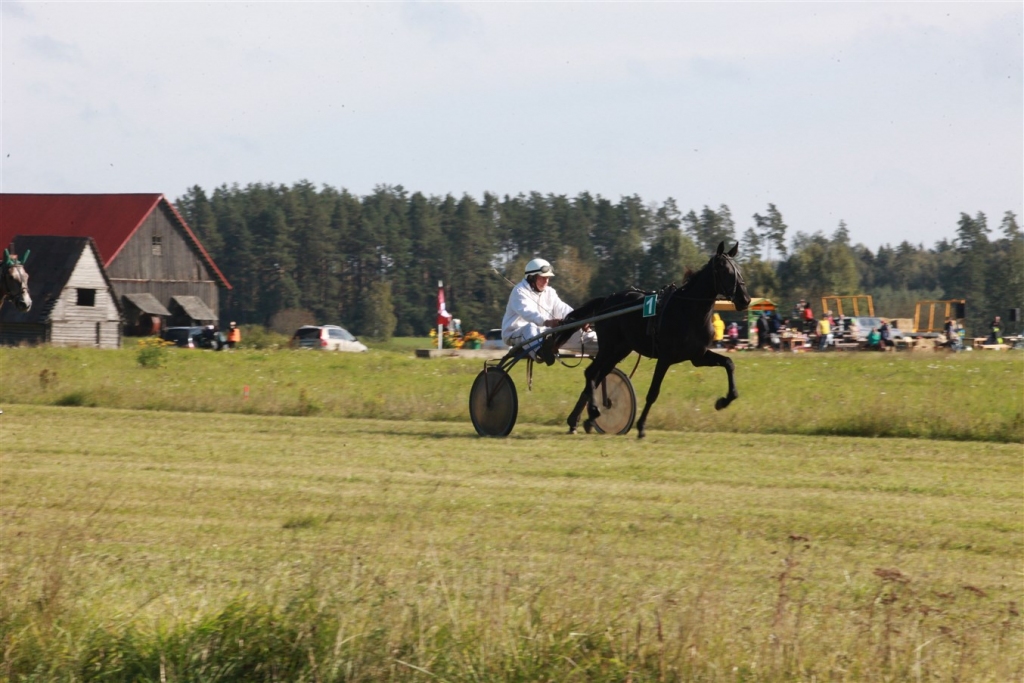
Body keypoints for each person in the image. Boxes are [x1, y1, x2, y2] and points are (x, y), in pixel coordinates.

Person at [501, 258, 590, 365]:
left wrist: (580, 320)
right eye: (542, 278)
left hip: (544, 334)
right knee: (530, 328)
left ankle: (604, 347)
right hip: (515, 333)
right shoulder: (519, 291)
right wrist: (548, 322)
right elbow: (529, 313)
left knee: (579, 332)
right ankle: (542, 352)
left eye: (548, 278)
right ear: (531, 278)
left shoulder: (550, 292)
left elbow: (563, 309)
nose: (546, 281)